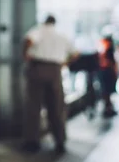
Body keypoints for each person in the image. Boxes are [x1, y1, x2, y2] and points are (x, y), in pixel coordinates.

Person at [22, 15, 78, 154]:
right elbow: (76, 53)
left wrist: (25, 55)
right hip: (55, 70)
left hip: (38, 67)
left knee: (34, 105)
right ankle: (60, 141)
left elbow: (29, 40)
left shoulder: (38, 31)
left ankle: (32, 141)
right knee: (57, 106)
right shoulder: (61, 35)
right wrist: (64, 63)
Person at [98, 34, 118, 118]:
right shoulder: (108, 48)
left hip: (104, 71)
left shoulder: (103, 46)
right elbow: (112, 61)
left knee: (106, 91)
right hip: (107, 71)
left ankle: (108, 108)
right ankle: (108, 108)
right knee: (107, 91)